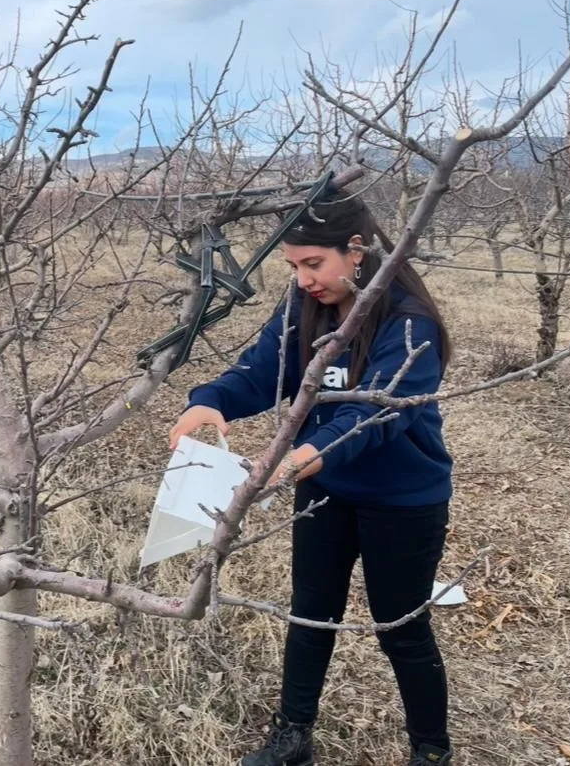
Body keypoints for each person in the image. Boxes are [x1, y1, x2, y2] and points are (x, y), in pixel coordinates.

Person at [167, 186, 455, 766]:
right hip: (323, 490)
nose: (303, 279)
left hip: (402, 500)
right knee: (309, 612)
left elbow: (369, 419)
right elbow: (261, 368)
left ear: (356, 251)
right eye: (294, 266)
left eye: (313, 264)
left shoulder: (409, 324)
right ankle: (293, 735)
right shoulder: (304, 308)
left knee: (400, 627)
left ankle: (430, 750)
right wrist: (211, 401)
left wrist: (291, 462)